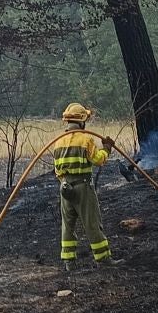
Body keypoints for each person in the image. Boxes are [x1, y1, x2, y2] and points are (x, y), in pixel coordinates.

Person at [52, 103, 114, 267]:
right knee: (92, 222)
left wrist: (65, 183)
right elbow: (98, 160)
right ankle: (103, 259)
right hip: (83, 187)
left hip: (65, 188)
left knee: (67, 225)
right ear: (82, 121)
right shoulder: (86, 139)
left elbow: (57, 170)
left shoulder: (59, 142)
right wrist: (107, 148)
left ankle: (68, 262)